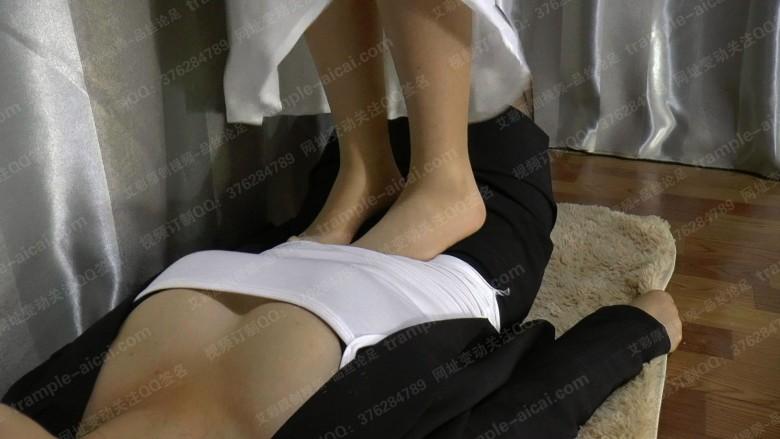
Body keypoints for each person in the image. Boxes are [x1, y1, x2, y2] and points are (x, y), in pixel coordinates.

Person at [1, 105, 682, 439]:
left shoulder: (44, 406)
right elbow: (529, 412)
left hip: (345, 180)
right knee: (480, 73)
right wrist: (636, 330)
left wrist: (643, 327)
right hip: (486, 193)